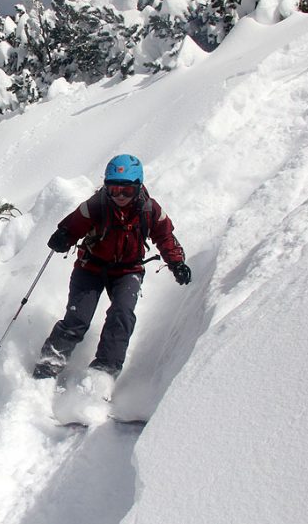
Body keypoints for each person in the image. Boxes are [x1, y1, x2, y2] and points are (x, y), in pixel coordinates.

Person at [33, 154, 191, 381]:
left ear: (138, 186)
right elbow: (72, 225)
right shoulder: (96, 205)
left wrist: (177, 263)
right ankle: (49, 365)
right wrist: (63, 236)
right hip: (90, 268)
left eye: (126, 191)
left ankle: (104, 372)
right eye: (113, 189)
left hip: (128, 271)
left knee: (122, 315)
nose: (119, 196)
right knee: (77, 319)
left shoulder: (149, 209)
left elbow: (165, 236)